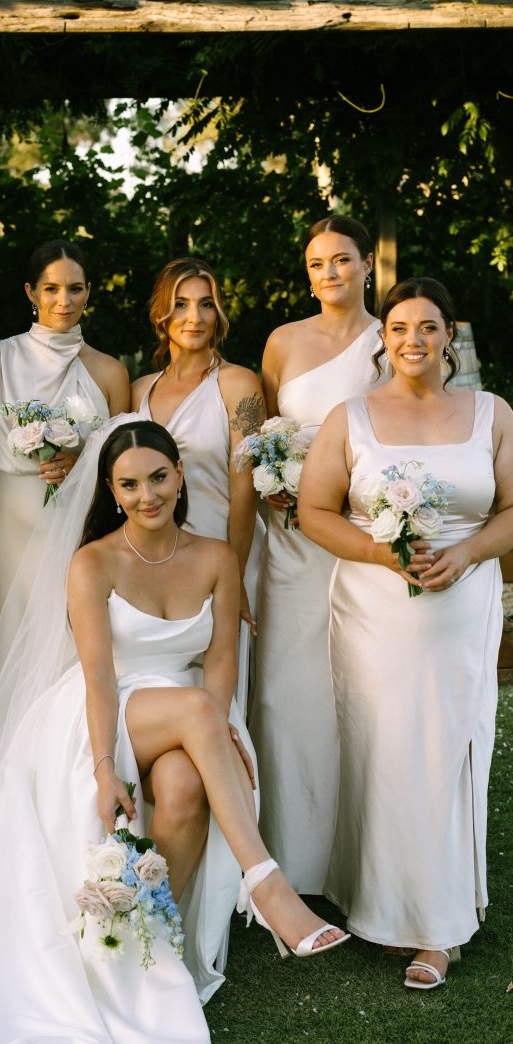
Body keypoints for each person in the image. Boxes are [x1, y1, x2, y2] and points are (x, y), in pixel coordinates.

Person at [0, 418, 348, 1043]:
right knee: (200, 714)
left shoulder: (216, 557)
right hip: (103, 713)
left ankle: (151, 940)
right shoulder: (93, 562)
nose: (146, 495)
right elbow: (98, 677)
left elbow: (222, 661)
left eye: (157, 478)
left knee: (182, 785)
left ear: (179, 476)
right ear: (111, 491)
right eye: (128, 485)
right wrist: (102, 766)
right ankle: (267, 883)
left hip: (189, 709)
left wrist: (224, 727)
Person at [298, 277, 513, 989]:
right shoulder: (350, 416)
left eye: (428, 327)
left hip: (462, 600)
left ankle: (437, 927)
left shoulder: (492, 413)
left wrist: (468, 551)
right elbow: (316, 511)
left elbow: (512, 507)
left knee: (444, 746)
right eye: (399, 329)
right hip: (374, 607)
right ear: (381, 340)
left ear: (449, 335)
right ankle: (379, 904)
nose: (413, 341)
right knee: (382, 749)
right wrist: (382, 555)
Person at [249, 215, 382, 894]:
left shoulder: (394, 343)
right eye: (315, 264)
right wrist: (270, 479)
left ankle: (357, 859)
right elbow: (269, 429)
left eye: (340, 260)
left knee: (357, 690)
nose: (328, 274)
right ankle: (291, 860)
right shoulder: (281, 342)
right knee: (284, 689)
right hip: (290, 542)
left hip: (360, 538)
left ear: (367, 265)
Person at [132, 257, 265, 717]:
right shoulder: (139, 391)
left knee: (218, 688)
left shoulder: (238, 384)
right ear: (160, 315)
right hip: (152, 560)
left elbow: (246, 488)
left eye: (206, 305)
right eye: (181, 305)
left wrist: (236, 574)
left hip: (220, 552)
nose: (194, 317)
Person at [0, 239, 129, 634]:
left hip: (80, 515)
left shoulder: (110, 372)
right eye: (51, 288)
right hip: (13, 511)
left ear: (88, 293)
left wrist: (84, 463)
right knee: (15, 625)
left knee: (72, 624)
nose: (64, 300)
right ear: (31, 292)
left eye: (75, 288)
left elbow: (125, 460)